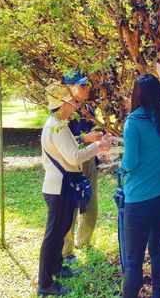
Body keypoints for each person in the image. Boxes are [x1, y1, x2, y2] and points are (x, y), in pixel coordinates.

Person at [37, 83, 110, 296]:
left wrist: (89, 144)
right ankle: (45, 283)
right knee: (53, 235)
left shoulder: (59, 124)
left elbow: (71, 151)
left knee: (60, 230)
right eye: (72, 101)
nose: (75, 105)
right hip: (58, 187)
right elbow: (74, 157)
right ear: (62, 105)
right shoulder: (57, 127)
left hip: (62, 185)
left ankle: (57, 267)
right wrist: (97, 148)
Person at [120, 66, 160, 298]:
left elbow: (130, 162)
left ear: (137, 95)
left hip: (139, 201)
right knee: (156, 250)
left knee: (133, 260)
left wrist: (118, 166)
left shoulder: (133, 122)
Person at [62, 70, 103, 264]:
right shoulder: (63, 111)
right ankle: (66, 252)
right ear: (70, 88)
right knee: (69, 209)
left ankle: (84, 242)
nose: (86, 88)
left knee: (91, 206)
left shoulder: (88, 108)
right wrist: (83, 139)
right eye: (81, 85)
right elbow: (61, 141)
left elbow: (92, 131)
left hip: (89, 160)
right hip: (70, 163)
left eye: (87, 84)